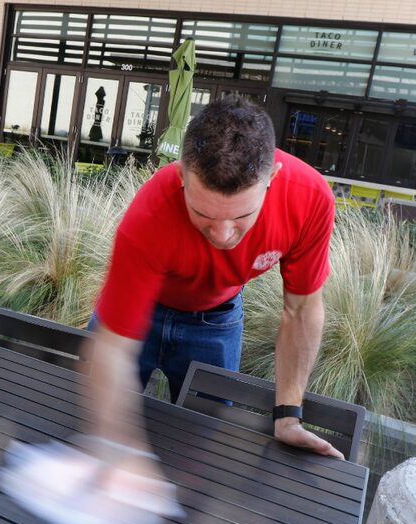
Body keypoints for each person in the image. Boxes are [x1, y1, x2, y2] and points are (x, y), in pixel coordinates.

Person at [86, 95, 345, 483]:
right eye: (203, 214)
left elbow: (301, 309)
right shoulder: (152, 212)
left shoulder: (308, 199)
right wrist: (117, 451)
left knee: (200, 455)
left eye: (242, 216)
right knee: (96, 440)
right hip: (145, 310)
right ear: (181, 176)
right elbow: (112, 347)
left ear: (271, 177)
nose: (223, 235)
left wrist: (288, 415)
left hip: (216, 320)